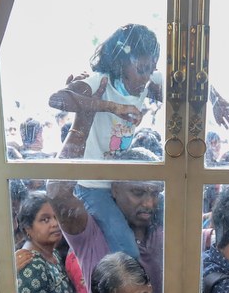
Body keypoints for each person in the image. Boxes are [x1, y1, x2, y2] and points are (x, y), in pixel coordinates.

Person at [46, 104, 164, 293]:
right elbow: (57, 193)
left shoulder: (161, 229)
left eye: (155, 193)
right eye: (138, 192)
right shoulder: (93, 232)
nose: (149, 203)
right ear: (115, 188)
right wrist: (84, 115)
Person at [47, 23, 163, 260]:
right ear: (121, 63)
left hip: (119, 182)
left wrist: (217, 101)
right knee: (126, 249)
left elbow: (189, 82)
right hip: (93, 185)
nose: (146, 77)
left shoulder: (147, 82)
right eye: (141, 69)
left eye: (151, 70)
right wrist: (111, 107)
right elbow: (57, 100)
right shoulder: (99, 82)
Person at [14, 193, 85, 293]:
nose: (55, 223)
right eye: (45, 219)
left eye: (56, 216)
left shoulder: (53, 254)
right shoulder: (32, 266)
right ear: (28, 229)